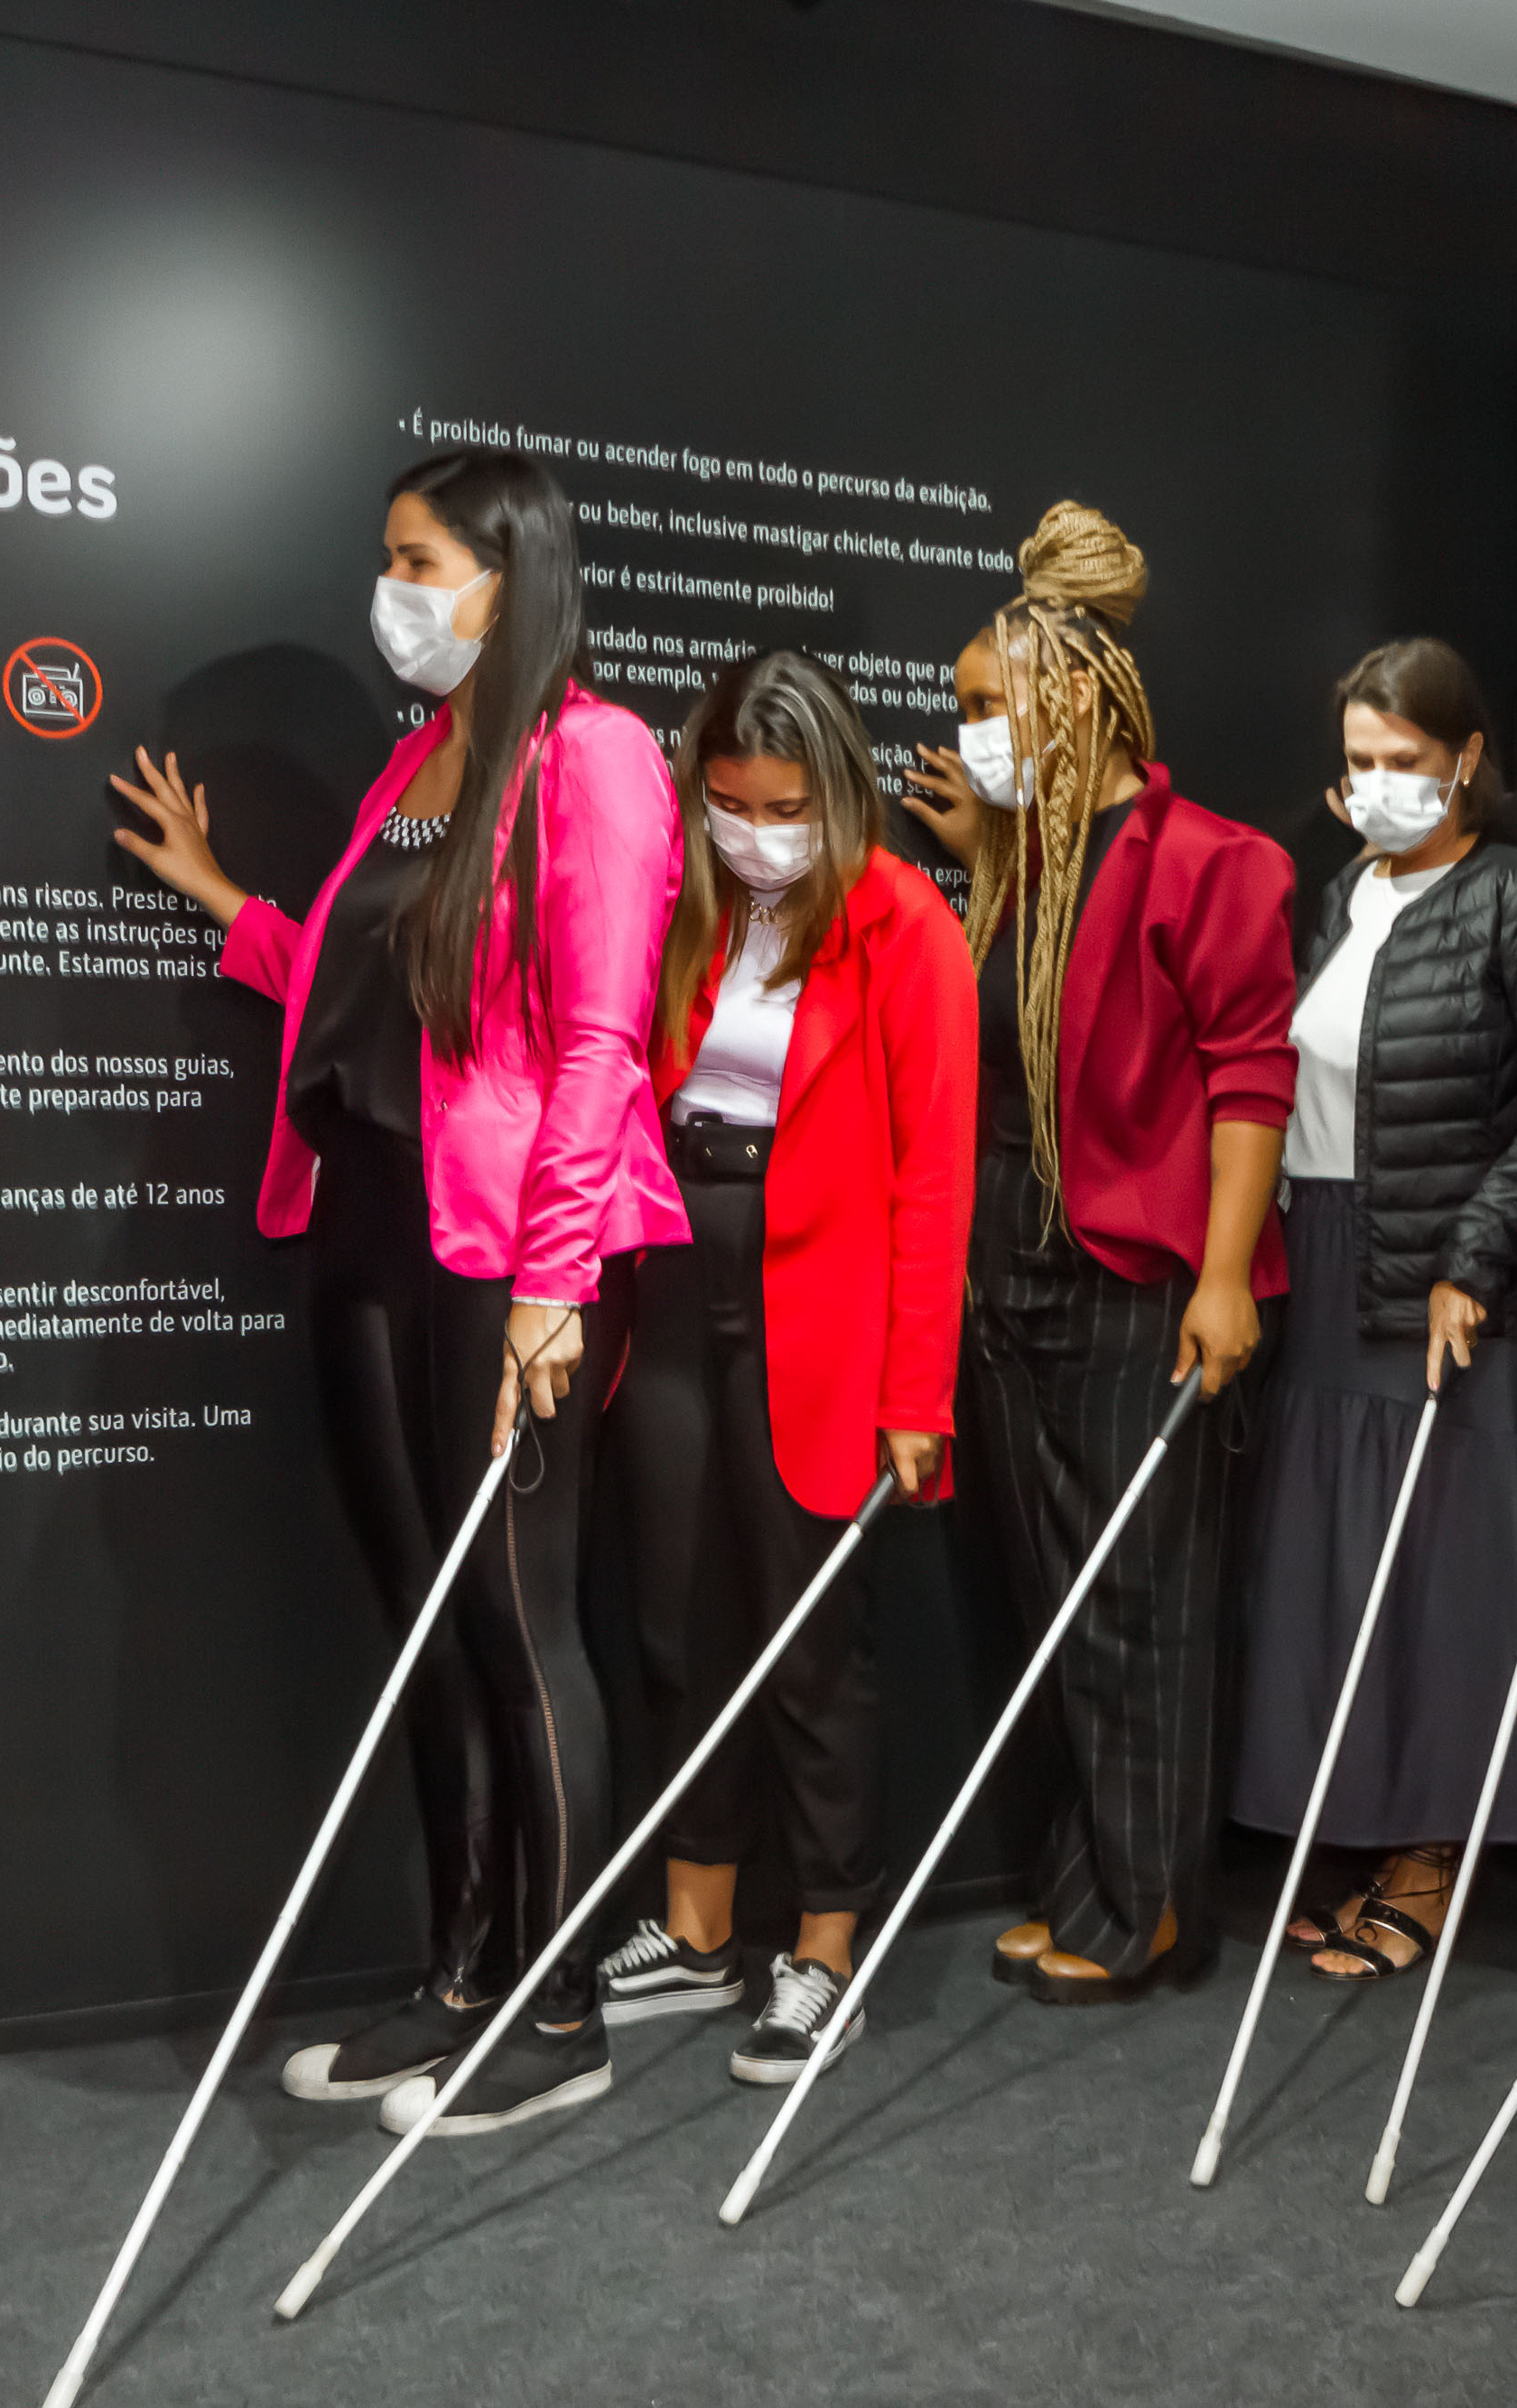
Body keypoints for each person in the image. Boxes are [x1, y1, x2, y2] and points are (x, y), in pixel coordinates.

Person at [108, 446, 684, 2136]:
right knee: (429, 1619)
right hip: (367, 1222)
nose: (397, 593)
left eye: (421, 561)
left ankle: (560, 1994)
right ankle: (460, 1972)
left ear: (510, 575)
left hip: (509, 1251)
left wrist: (554, 1278)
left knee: (518, 1620)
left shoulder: (599, 756)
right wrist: (230, 907)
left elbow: (596, 1039)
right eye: (392, 560)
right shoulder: (421, 761)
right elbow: (377, 1000)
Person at [899, 499, 1295, 2004]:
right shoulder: (1020, 872)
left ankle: (1152, 1912)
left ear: (1069, 701)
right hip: (1014, 1287)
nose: (970, 732)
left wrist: (1220, 1278)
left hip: (1139, 1289)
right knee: (1058, 1607)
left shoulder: (1215, 861)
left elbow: (1253, 1080)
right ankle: (1085, 1879)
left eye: (988, 707)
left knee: (1141, 1603)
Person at [594, 649, 973, 2083]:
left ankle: (826, 1950)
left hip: (823, 1303)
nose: (756, 831)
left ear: (840, 791)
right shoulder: (687, 901)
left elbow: (935, 1176)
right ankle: (697, 1929)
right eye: (731, 801)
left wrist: (916, 1397)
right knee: (679, 1619)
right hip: (675, 1273)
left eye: (785, 806)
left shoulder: (901, 919)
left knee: (812, 1642)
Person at [1229, 638, 1517, 1979]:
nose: (1377, 788)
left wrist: (1474, 1257)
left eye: (1406, 765)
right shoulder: (1343, 896)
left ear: (1468, 760)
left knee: (1446, 1571)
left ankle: (1432, 1854)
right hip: (1323, 1258)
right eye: (1360, 766)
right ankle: (1364, 1832)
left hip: (1446, 1283)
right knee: (1340, 1566)